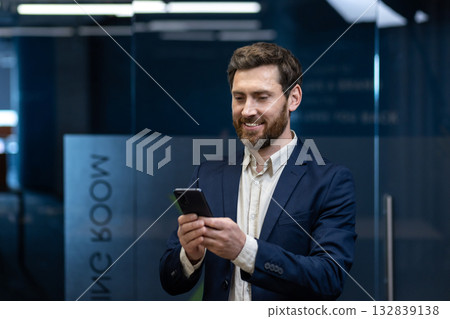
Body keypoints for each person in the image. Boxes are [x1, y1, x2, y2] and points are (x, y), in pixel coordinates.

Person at [160, 42, 356, 301]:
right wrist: (190, 255)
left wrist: (245, 251)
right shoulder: (208, 173)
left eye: (262, 97)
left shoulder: (330, 181)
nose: (247, 110)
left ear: (293, 98)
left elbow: (329, 278)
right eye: (239, 97)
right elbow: (170, 280)